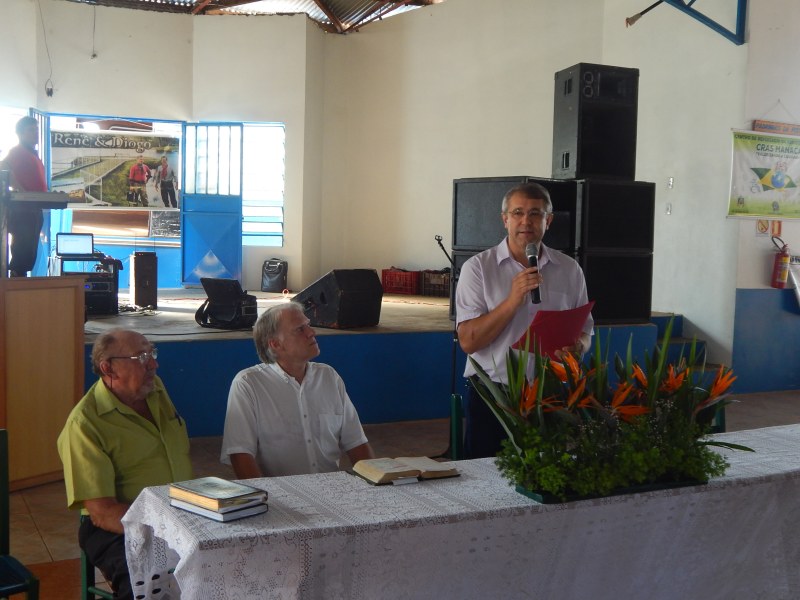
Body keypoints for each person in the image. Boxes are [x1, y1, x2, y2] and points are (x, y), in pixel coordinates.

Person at [456, 182, 594, 459]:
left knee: (547, 478)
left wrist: (578, 347)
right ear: (505, 219)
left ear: (548, 220)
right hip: (496, 396)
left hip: (551, 395)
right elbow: (469, 342)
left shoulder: (569, 269)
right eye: (517, 212)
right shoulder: (478, 268)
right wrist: (512, 301)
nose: (526, 221)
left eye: (535, 213)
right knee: (488, 483)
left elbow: (585, 330)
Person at [57, 330, 192, 600]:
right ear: (109, 368)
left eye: (152, 353)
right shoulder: (84, 424)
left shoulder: (154, 389)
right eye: (141, 357)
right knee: (146, 582)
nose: (153, 363)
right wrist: (167, 526)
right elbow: (102, 513)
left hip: (180, 511)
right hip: (116, 527)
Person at [221, 302, 374, 478]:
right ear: (276, 344)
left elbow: (356, 442)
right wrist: (267, 500)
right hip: (280, 494)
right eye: (300, 329)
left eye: (308, 325)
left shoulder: (328, 376)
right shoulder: (249, 384)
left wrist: (376, 483)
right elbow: (240, 454)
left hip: (330, 490)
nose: (312, 332)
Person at [0, 116, 46, 277]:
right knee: (22, 253)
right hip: (24, 210)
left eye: (37, 129)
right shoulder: (17, 151)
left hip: (34, 209)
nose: (35, 133)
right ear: (19, 133)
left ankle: (19, 286)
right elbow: (2, 167)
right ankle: (15, 290)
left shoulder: (31, 153)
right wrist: (19, 191)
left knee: (28, 254)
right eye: (31, 130)